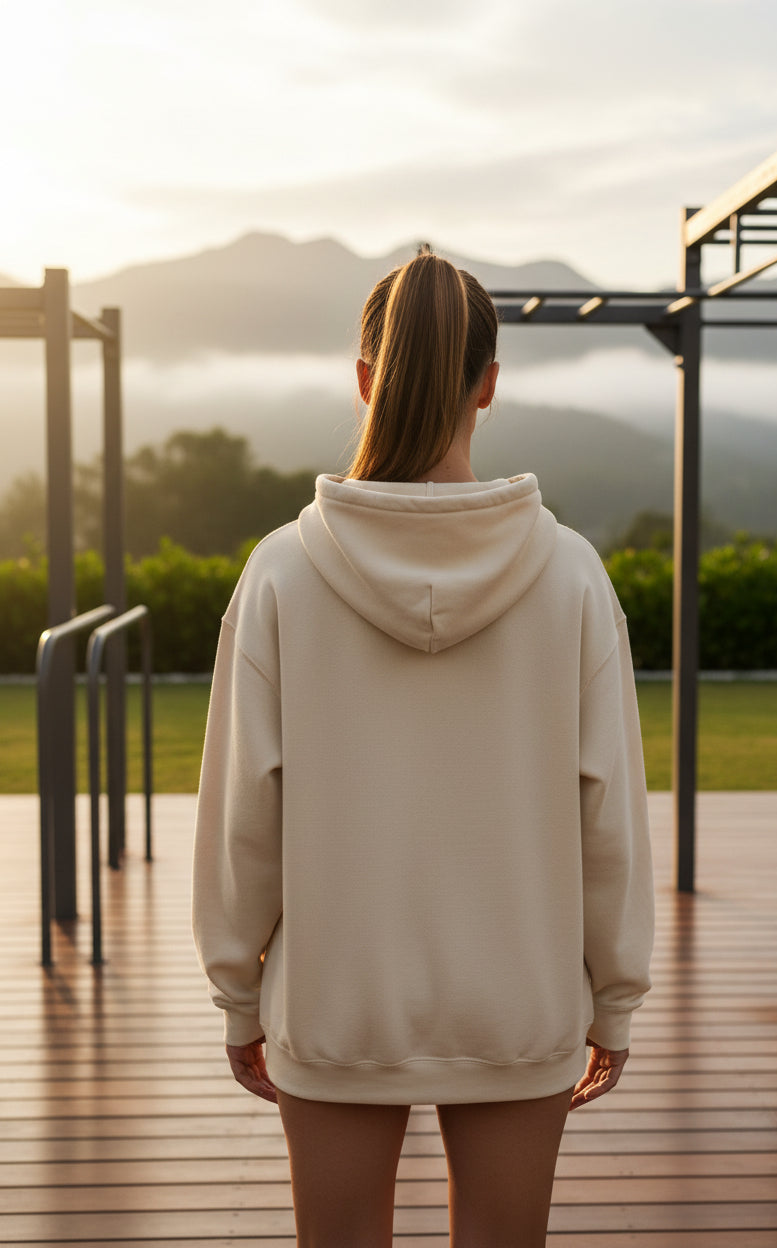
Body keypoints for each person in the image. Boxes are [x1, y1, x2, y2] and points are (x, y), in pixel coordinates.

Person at [192, 250, 654, 1247]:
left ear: (365, 377)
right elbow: (607, 811)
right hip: (520, 1002)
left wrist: (238, 992)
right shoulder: (571, 576)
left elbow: (243, 814)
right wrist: (611, 999)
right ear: (488, 383)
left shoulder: (281, 575)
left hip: (335, 999)